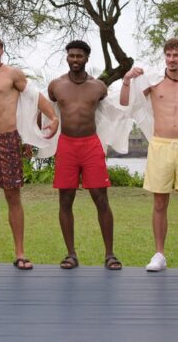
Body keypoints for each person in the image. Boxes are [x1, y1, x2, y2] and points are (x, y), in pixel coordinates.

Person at [120, 38, 178, 275]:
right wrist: (127, 80)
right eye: (168, 55)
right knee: (159, 202)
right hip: (160, 144)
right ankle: (159, 254)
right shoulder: (153, 83)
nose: (172, 60)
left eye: (176, 55)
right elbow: (126, 103)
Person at [0, 35, 58, 271]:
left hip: (7, 138)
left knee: (13, 195)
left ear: (1, 50)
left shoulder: (13, 74)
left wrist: (52, 117)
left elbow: (34, 96)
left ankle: (20, 253)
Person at [50, 40, 129, 271]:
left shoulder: (99, 87)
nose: (75, 59)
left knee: (101, 199)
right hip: (66, 145)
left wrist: (128, 82)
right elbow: (45, 109)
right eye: (71, 56)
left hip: (91, 145)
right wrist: (36, 134)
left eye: (79, 56)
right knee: (65, 200)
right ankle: (71, 254)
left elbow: (115, 107)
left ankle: (110, 255)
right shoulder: (56, 86)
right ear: (67, 57)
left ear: (86, 58)